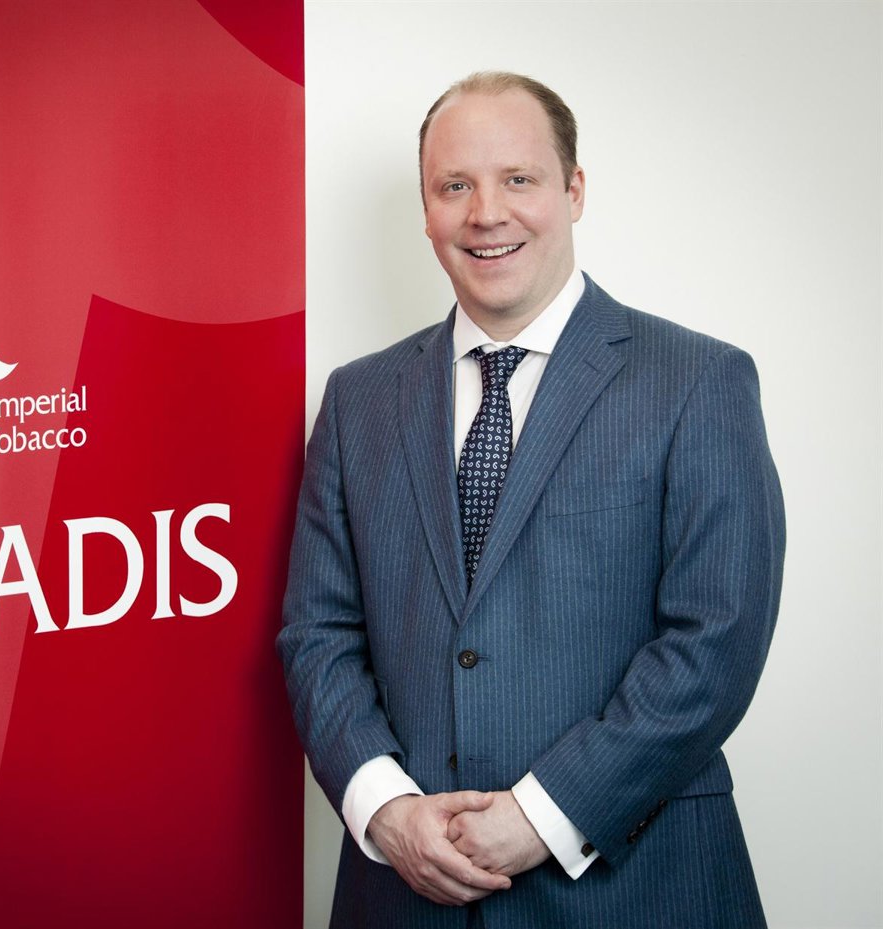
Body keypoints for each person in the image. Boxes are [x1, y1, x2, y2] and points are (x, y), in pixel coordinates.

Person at [277, 71, 785, 928]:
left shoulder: (698, 381)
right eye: (455, 186)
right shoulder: (357, 399)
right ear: (426, 210)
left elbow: (716, 643)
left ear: (573, 190)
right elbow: (318, 634)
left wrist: (543, 814)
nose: (487, 213)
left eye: (518, 178)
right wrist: (386, 809)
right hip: (406, 892)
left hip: (637, 888)